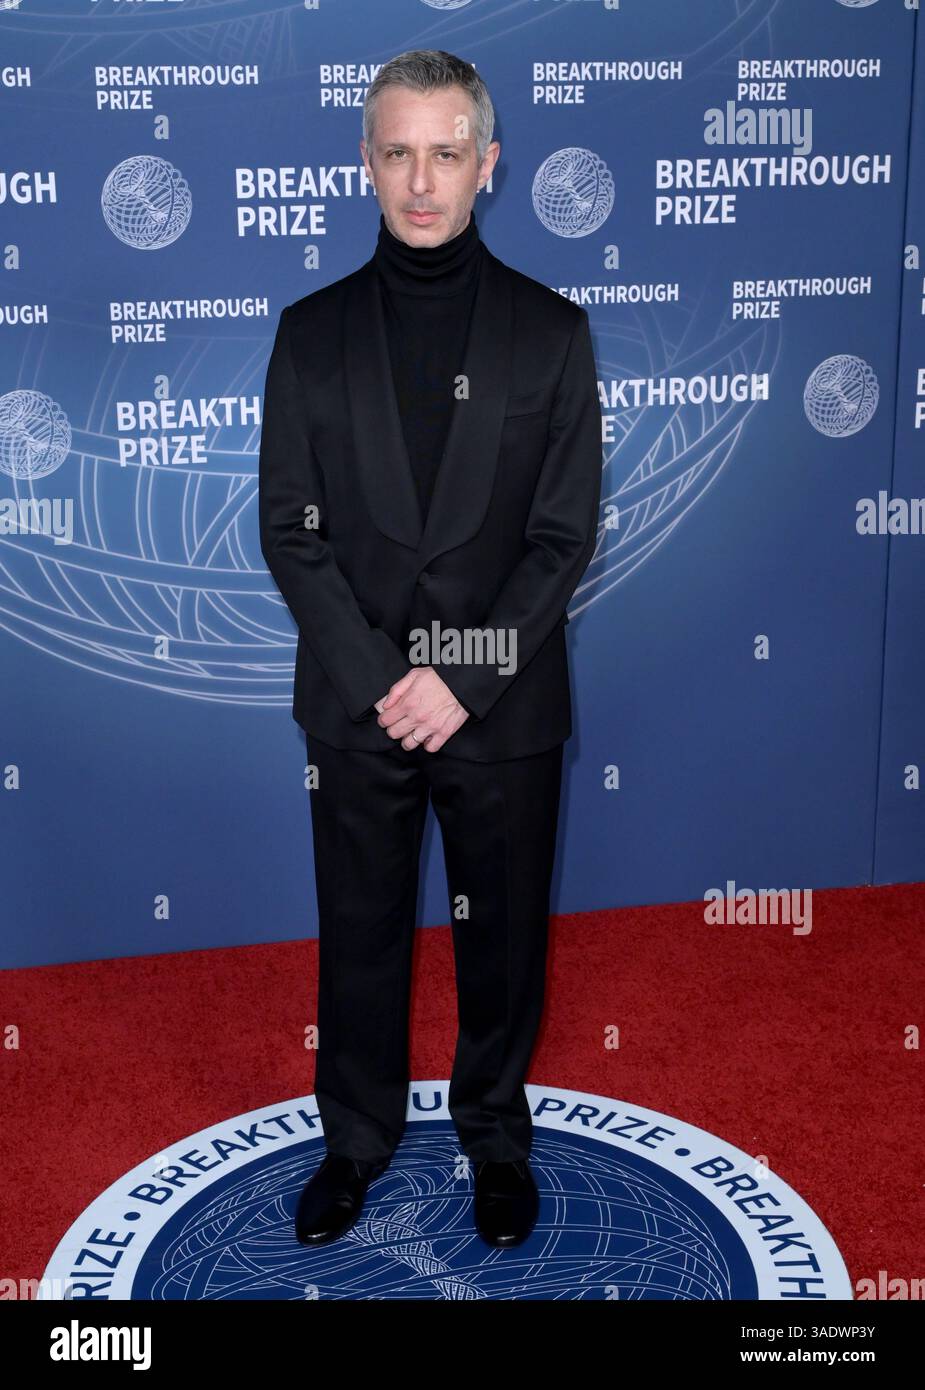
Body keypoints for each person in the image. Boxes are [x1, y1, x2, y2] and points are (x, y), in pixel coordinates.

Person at [258, 49, 602, 1248]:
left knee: (501, 938)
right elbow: (289, 534)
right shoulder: (307, 335)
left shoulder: (552, 333)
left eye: (445, 152)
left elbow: (561, 537)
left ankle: (495, 1138)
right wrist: (379, 683)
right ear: (366, 163)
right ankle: (353, 1140)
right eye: (397, 152)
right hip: (355, 706)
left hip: (499, 707)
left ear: (486, 165)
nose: (421, 179)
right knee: (357, 932)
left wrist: (455, 677)